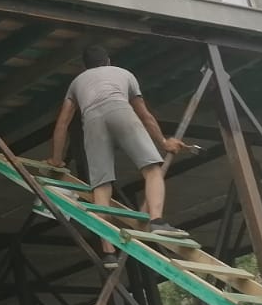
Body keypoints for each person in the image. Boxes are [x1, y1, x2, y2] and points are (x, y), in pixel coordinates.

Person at [49, 45, 186, 232]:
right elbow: (145, 115)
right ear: (108, 61)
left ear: (84, 66)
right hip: (120, 110)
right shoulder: (124, 74)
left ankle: (107, 246)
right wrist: (163, 142)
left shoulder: (76, 82)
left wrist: (56, 160)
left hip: (92, 121)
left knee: (101, 183)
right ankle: (157, 221)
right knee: (152, 169)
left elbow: (62, 124)